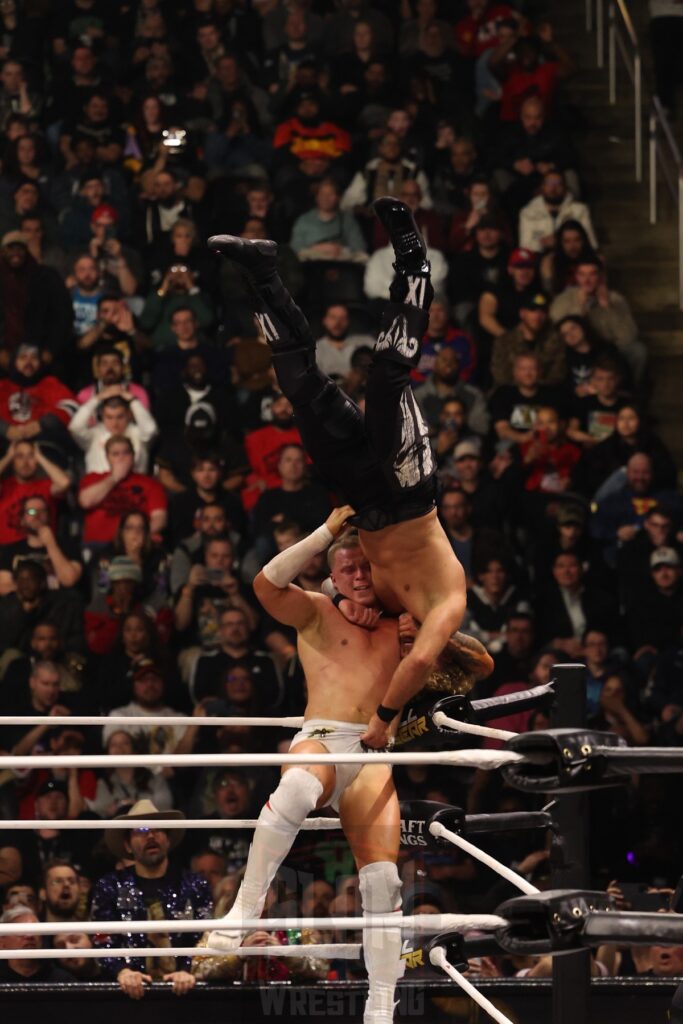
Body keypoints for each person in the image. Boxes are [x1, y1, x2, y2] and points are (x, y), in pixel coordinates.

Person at [208, 509, 491, 1024]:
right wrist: (326, 531)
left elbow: (479, 665)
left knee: (383, 882)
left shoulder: (402, 622)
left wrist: (424, 630)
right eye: (348, 570)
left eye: (366, 569)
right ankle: (244, 908)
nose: (359, 577)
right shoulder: (317, 610)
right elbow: (265, 584)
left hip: (373, 756)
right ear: (332, 576)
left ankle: (380, 1006)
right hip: (322, 739)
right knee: (295, 789)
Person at [209, 198, 470, 748]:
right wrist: (383, 719)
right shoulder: (448, 603)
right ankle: (413, 265)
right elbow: (435, 660)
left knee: (303, 391)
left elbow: (338, 580)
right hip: (409, 491)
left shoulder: (378, 610)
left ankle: (263, 273)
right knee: (386, 379)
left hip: (360, 497)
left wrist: (344, 593)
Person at [91, 800, 213, 1000]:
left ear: (168, 839)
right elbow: (101, 937)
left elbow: (205, 935)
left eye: (158, 829)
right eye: (141, 830)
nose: (150, 835)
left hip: (185, 990)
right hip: (125, 993)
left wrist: (188, 969)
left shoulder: (194, 884)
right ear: (127, 845)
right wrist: (122, 971)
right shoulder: (110, 885)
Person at [78, 435, 167, 547]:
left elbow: (160, 518)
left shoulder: (150, 484)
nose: (121, 458)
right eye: (115, 454)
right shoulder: (92, 478)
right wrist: (114, 478)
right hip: (98, 543)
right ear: (107, 458)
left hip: (136, 544)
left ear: (133, 455)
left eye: (126, 453)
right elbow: (86, 501)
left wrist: (140, 535)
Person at [0, 905, 72, 984]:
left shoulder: (62, 981)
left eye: (34, 930)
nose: (30, 936)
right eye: (21, 931)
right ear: (2, 943)